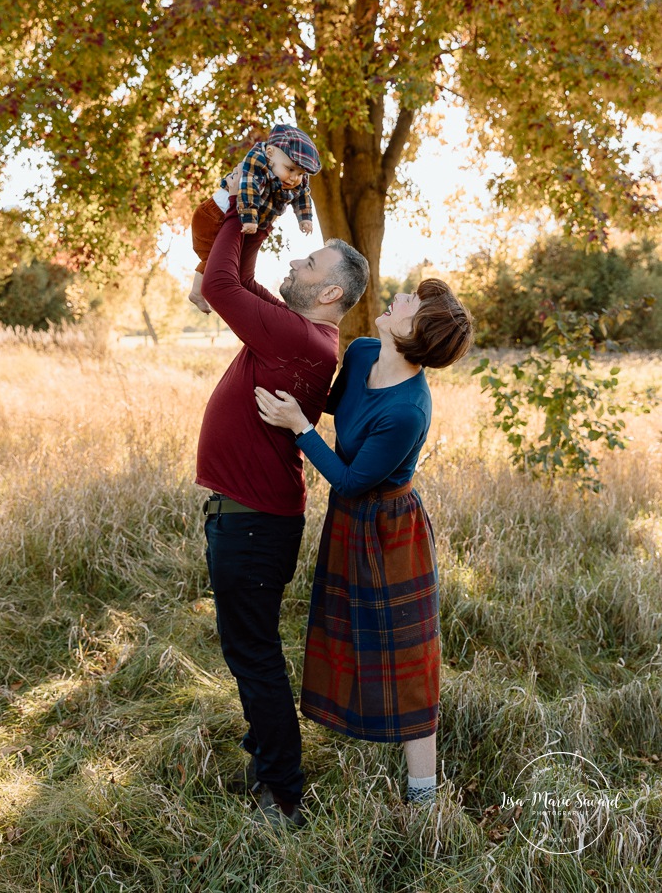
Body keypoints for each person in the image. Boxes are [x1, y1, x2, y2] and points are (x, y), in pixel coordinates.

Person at [254, 279, 473, 807]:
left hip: (393, 532)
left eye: (409, 305)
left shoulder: (407, 411)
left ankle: (423, 797)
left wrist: (301, 430)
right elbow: (330, 401)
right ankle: (356, 721)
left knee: (408, 654)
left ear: (413, 331)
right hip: (350, 526)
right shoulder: (363, 352)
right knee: (350, 638)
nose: (398, 297)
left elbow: (352, 480)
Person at [196, 191, 369, 829]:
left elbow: (217, 283)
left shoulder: (302, 338)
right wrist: (258, 209)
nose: (296, 262)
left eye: (312, 263)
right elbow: (238, 278)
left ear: (330, 294)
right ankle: (269, 757)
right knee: (250, 648)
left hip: (254, 523)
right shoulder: (298, 331)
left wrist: (247, 210)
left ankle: (284, 790)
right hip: (246, 517)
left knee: (255, 652)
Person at [189, 123, 322, 312]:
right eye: (290, 169)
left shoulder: (293, 178)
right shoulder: (257, 161)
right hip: (215, 216)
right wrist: (250, 219)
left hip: (241, 222)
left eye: (300, 174)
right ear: (269, 153)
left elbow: (302, 195)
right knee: (216, 260)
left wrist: (305, 218)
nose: (294, 178)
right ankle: (197, 292)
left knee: (235, 269)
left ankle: (249, 307)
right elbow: (248, 190)